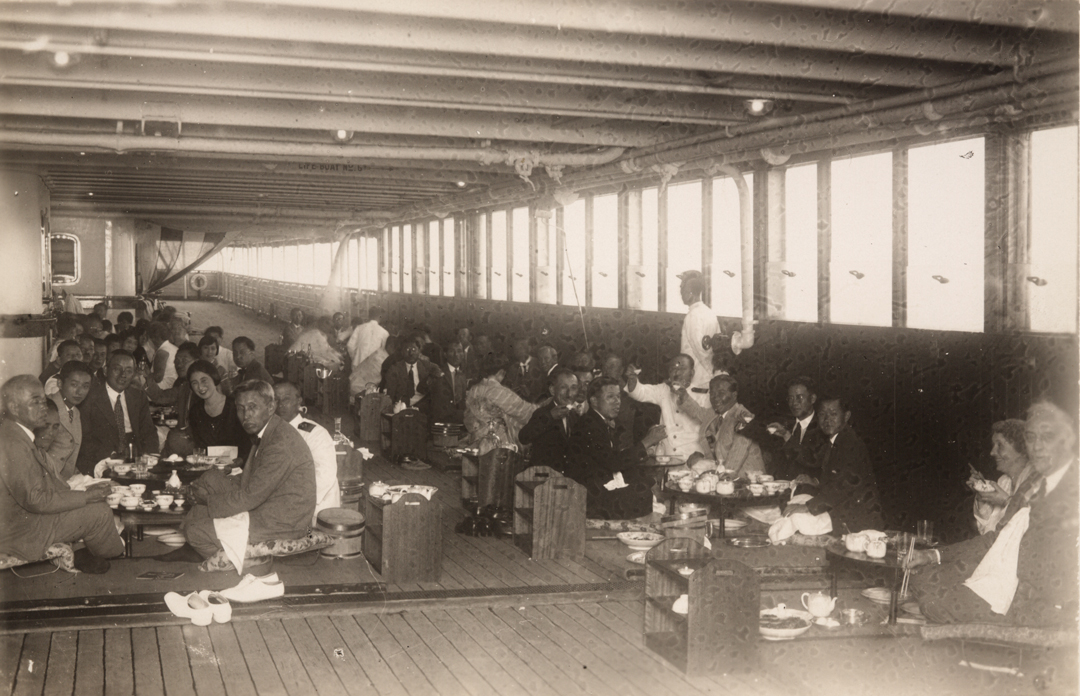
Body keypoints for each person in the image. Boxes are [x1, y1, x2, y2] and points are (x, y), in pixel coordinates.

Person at [907, 402, 1078, 628]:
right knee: (923, 585)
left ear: (1068, 441)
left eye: (1047, 437)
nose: (1036, 447)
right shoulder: (1032, 485)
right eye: (1031, 437)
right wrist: (933, 555)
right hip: (1006, 583)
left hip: (1042, 606)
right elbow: (995, 539)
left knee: (934, 603)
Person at [160, 380, 316, 565]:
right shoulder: (270, 429)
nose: (246, 416)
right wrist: (208, 492)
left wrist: (207, 500)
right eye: (241, 409)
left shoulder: (280, 443)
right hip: (270, 501)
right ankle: (197, 546)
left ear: (271, 407)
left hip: (282, 521)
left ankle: (246, 559)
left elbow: (250, 497)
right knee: (210, 480)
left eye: (252, 407)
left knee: (196, 532)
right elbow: (255, 479)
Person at [0, 375, 124, 573]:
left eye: (43, 399)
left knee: (90, 504)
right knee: (98, 512)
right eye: (35, 401)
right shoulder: (14, 444)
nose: (43, 406)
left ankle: (96, 554)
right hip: (20, 532)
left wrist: (84, 494)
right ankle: (120, 565)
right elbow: (36, 500)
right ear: (15, 408)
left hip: (23, 521)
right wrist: (86, 496)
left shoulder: (15, 434)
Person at [566, 377, 667, 519]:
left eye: (618, 396)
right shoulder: (589, 425)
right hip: (587, 494)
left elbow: (615, 460)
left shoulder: (598, 421)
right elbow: (613, 463)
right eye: (610, 397)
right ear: (594, 401)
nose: (617, 402)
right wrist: (647, 442)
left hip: (598, 486)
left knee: (645, 485)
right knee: (643, 494)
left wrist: (648, 480)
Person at [787, 396, 882, 531]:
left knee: (795, 520)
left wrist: (807, 507)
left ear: (846, 416)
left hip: (859, 522)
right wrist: (815, 482)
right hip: (845, 511)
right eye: (822, 414)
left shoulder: (850, 444)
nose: (827, 420)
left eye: (833, 414)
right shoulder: (835, 440)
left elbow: (842, 487)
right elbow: (816, 462)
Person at [75, 350, 160, 474]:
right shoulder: (90, 398)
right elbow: (86, 439)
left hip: (135, 457)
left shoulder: (138, 396)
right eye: (117, 369)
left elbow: (148, 432)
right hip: (103, 459)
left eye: (129, 371)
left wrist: (150, 458)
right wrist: (113, 456)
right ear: (105, 371)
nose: (123, 375)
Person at [274, 382, 339, 525]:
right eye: (276, 400)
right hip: (282, 505)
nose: (280, 405)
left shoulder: (314, 433)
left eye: (286, 399)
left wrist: (294, 503)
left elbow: (325, 474)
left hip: (313, 511)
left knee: (306, 538)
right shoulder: (272, 432)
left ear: (298, 401)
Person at [625, 354, 707, 457]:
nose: (677, 372)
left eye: (682, 368)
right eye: (673, 369)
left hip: (693, 457)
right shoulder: (664, 389)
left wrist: (685, 397)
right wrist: (632, 379)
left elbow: (708, 421)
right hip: (668, 457)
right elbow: (640, 392)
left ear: (692, 373)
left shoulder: (704, 394)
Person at [685, 374, 765, 477]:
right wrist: (682, 396)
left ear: (734, 395)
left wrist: (709, 476)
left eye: (721, 393)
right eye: (712, 393)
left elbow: (734, 461)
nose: (715, 398)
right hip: (726, 478)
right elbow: (697, 412)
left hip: (748, 482)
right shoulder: (715, 413)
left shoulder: (743, 417)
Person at [754, 376, 828, 481]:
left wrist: (787, 436)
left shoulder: (823, 427)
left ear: (812, 399)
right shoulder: (786, 424)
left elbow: (813, 460)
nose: (794, 403)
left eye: (800, 397)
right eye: (791, 398)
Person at [463, 353, 537, 456]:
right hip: (496, 441)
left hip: (475, 439)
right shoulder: (499, 392)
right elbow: (524, 411)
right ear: (501, 372)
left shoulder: (474, 389)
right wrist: (545, 406)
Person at [972, 419, 1034, 535]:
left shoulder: (1035, 481)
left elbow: (1031, 528)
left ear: (1021, 448)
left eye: (1000, 445)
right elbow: (987, 531)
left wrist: (1006, 501)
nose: (992, 452)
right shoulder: (1004, 482)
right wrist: (982, 495)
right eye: (993, 445)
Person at [186, 360, 252, 462]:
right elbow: (199, 447)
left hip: (236, 467)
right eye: (194, 383)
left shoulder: (235, 406)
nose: (200, 387)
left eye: (204, 380)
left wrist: (239, 461)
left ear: (214, 379)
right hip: (207, 468)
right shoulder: (195, 411)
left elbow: (248, 443)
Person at [519, 368, 580, 474]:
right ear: (552, 390)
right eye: (563, 387)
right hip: (543, 478)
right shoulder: (543, 412)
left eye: (573, 388)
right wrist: (550, 417)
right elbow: (524, 437)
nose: (569, 394)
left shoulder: (574, 415)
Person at [48, 360, 93, 479]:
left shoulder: (76, 413)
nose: (80, 392)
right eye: (74, 385)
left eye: (85, 386)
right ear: (60, 383)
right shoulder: (47, 409)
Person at [677, 270, 720, 390]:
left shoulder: (692, 316)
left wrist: (712, 374)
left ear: (690, 293)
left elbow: (700, 350)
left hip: (696, 383)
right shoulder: (710, 313)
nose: (681, 294)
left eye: (682, 291)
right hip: (707, 382)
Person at [382, 335, 439, 410]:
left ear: (419, 351)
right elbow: (390, 395)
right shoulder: (394, 369)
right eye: (407, 349)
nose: (411, 353)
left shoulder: (426, 365)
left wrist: (431, 378)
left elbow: (438, 371)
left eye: (414, 349)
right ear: (402, 352)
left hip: (424, 407)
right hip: (403, 408)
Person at [427, 340, 469, 425]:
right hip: (441, 421)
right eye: (452, 351)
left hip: (460, 421)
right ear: (445, 354)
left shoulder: (463, 374)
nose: (456, 355)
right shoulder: (437, 372)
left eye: (459, 351)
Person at [503, 338, 544, 402]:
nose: (518, 351)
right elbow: (506, 389)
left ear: (529, 348)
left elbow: (543, 390)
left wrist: (529, 395)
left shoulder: (539, 364)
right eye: (516, 348)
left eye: (521, 347)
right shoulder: (512, 368)